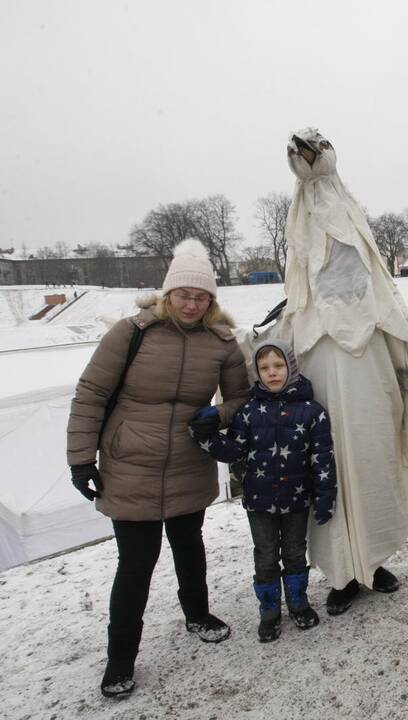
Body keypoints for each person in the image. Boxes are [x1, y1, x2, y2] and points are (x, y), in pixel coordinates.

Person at [259, 129, 408, 616]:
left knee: (376, 486)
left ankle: (375, 562)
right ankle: (343, 574)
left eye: (348, 263)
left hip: (374, 430)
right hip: (320, 444)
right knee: (331, 495)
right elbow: (260, 367)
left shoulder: (382, 319)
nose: (338, 273)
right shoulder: (298, 325)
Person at [67, 239, 248, 698]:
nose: (191, 303)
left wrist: (219, 415)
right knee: (136, 564)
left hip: (190, 458)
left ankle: (198, 614)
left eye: (201, 296)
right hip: (131, 461)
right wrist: (80, 459)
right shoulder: (132, 333)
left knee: (189, 545)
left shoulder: (222, 344)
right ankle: (120, 659)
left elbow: (241, 398)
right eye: (183, 295)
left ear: (211, 301)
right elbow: (90, 393)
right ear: (168, 296)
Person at [189, 339, 337, 642]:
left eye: (278, 366)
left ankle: (298, 603)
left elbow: (322, 458)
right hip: (259, 502)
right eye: (264, 367)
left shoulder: (312, 412)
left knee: (295, 554)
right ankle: (269, 612)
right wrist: (204, 435)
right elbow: (233, 451)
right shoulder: (247, 413)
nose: (272, 373)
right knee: (266, 556)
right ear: (257, 372)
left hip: (297, 500)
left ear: (291, 368)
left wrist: (325, 498)